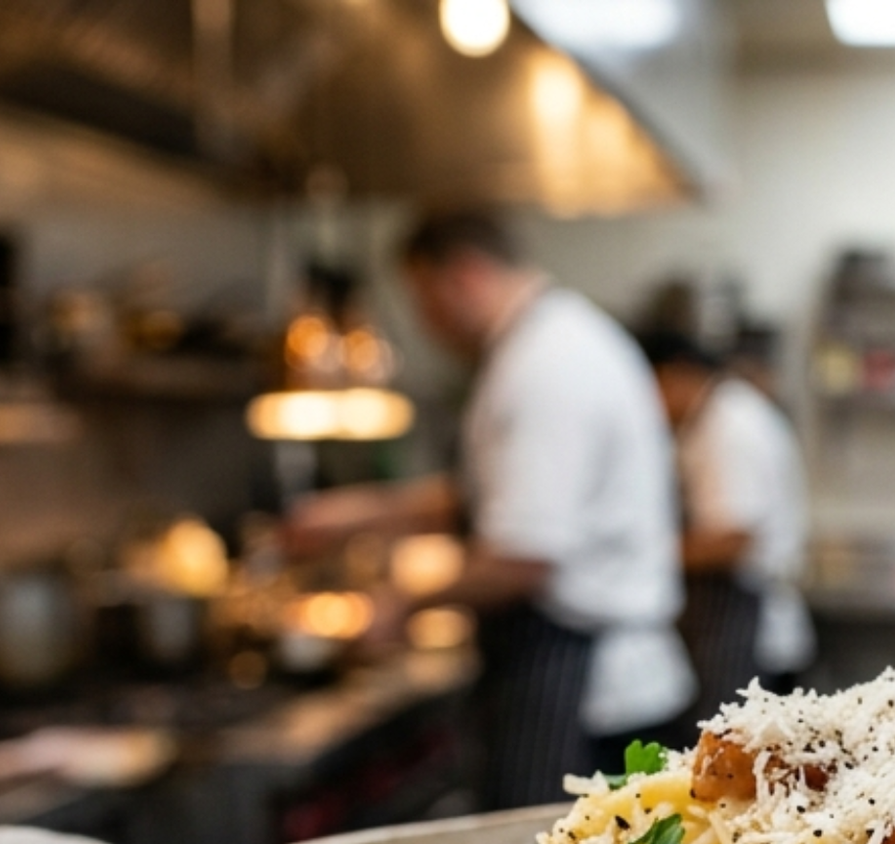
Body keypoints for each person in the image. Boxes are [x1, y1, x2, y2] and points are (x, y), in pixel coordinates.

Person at [285, 212, 693, 807]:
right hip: (578, 682)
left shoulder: (543, 366)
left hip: (584, 696)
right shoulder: (551, 341)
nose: (427, 326)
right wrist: (357, 516)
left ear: (466, 277)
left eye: (424, 301)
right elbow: (490, 496)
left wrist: (403, 605)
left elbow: (523, 556)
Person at [639, 329, 815, 716]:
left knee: (736, 760)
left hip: (744, 628)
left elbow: (730, 539)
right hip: (732, 624)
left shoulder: (730, 425)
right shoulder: (718, 416)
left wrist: (640, 556)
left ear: (676, 375)